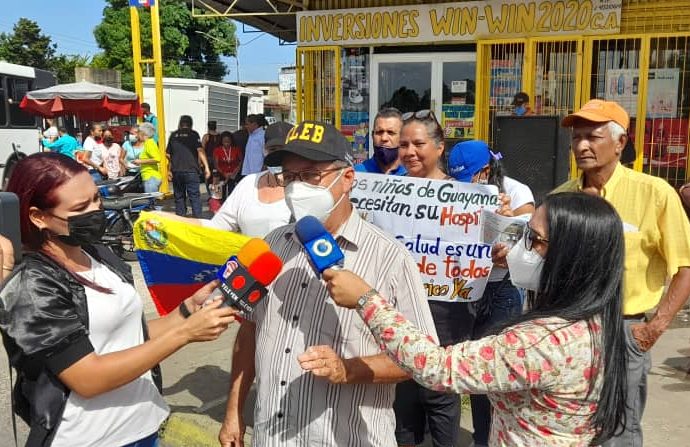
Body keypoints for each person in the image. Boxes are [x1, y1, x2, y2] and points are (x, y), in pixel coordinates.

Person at [323, 192, 628, 446]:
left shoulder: (544, 342)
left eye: (533, 239)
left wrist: (367, 299)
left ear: (571, 258)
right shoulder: (593, 318)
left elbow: (436, 368)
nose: (521, 248)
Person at [218, 120, 438, 447]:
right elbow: (249, 332)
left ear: (347, 178)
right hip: (271, 435)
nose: (296, 189)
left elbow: (424, 359)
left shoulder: (389, 259)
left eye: (309, 176)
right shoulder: (271, 245)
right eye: (289, 178)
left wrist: (347, 370)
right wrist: (233, 410)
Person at [0, 152, 239, 447]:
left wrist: (186, 312)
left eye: (96, 199)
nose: (95, 211)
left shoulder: (98, 254)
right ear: (39, 217)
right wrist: (184, 334)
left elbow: (128, 336)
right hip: (92, 439)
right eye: (81, 207)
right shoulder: (32, 284)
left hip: (146, 426)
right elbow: (88, 378)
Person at [545, 99, 690, 446]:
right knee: (567, 424)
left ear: (620, 142)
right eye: (577, 138)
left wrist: (653, 328)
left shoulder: (653, 193)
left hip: (624, 330)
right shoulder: (561, 198)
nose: (581, 146)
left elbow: (685, 266)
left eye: (593, 137)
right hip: (567, 329)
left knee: (618, 430)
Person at [447, 140, 535, 447]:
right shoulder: (453, 188)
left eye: (470, 177)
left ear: (486, 170)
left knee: (499, 369)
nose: (466, 186)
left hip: (501, 289)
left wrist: (508, 221)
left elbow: (529, 243)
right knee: (475, 370)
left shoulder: (518, 192)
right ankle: (483, 437)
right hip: (466, 288)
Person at [394, 109, 462, 447]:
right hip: (397, 311)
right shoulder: (388, 194)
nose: (409, 151)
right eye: (403, 144)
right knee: (403, 399)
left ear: (439, 147)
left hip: (444, 313)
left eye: (418, 143)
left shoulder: (465, 199)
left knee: (439, 395)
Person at [167, 115, 211, 217]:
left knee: (179, 196)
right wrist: (207, 168)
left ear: (180, 123)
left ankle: (181, 219)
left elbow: (168, 154)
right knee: (194, 196)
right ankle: (197, 220)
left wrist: (169, 170)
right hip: (191, 170)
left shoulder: (173, 135)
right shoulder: (194, 134)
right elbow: (200, 151)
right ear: (190, 124)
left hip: (177, 170)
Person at [355, 107, 407, 175]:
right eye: (379, 132)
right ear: (372, 136)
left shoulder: (413, 174)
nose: (384, 138)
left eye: (390, 132)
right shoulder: (357, 173)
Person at [132, 122, 162, 193]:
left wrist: (140, 161)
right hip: (149, 177)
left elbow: (157, 159)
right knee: (149, 201)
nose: (137, 136)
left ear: (143, 133)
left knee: (150, 202)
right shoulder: (148, 143)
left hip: (151, 178)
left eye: (138, 132)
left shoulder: (150, 143)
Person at [212, 131, 242, 198]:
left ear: (231, 141)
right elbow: (216, 164)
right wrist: (224, 173)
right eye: (224, 142)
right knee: (220, 195)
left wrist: (234, 173)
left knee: (232, 194)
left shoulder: (236, 149)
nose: (227, 144)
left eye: (228, 141)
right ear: (221, 141)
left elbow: (240, 162)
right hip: (221, 174)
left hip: (233, 175)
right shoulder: (217, 150)